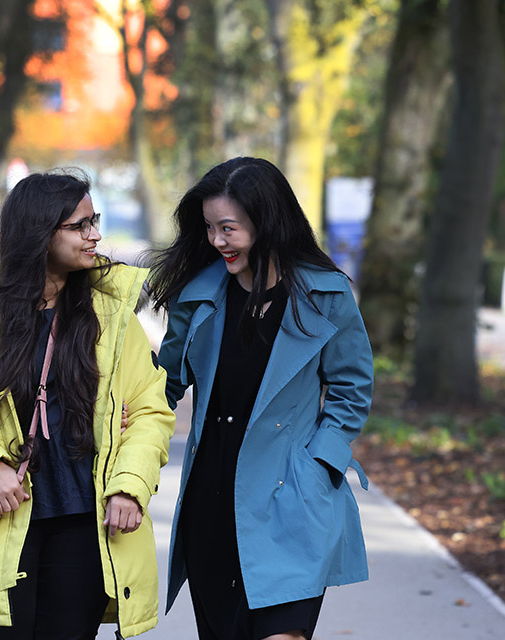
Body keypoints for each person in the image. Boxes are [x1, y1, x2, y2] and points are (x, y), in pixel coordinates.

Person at [0, 170, 175, 639]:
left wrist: (130, 485)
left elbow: (149, 409)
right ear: (39, 232)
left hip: (83, 519)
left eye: (96, 221)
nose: (94, 235)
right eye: (79, 225)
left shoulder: (110, 312)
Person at [149, 157, 373, 640]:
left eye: (227, 228)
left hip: (291, 497)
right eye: (208, 228)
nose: (216, 241)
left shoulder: (326, 296)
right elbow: (162, 384)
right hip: (212, 499)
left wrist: (322, 462)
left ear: (267, 221)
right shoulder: (199, 297)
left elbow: (352, 388)